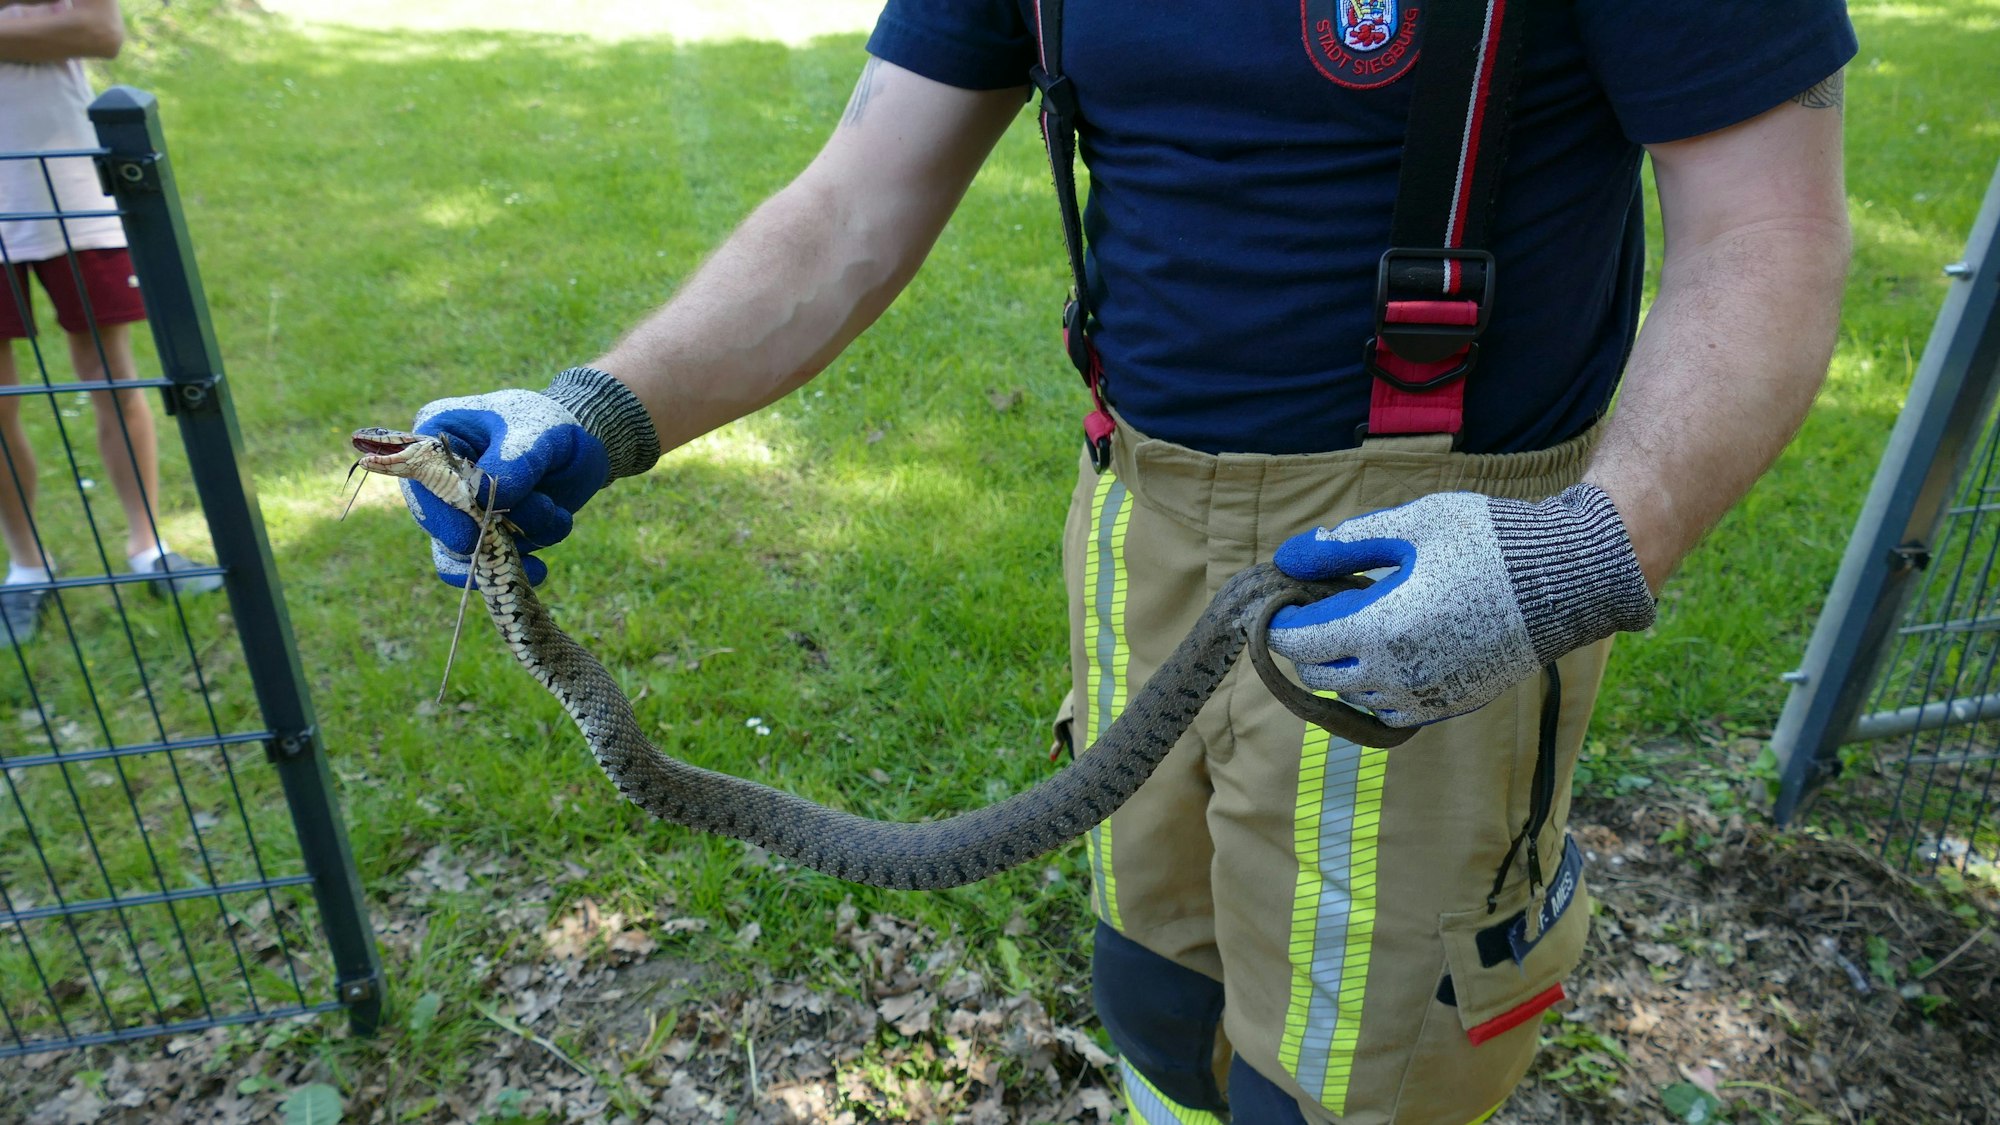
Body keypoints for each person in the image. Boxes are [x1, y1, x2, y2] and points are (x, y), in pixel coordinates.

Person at [397, 2, 1857, 1120]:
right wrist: (602, 408)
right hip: (1135, 515)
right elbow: (854, 203)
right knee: (1155, 986)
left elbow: (1766, 233)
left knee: (1357, 1076)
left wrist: (1584, 551)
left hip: (1435, 553)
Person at [0, 0, 223, 647]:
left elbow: (99, 30)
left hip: (69, 184)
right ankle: (26, 568)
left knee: (112, 377)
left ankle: (148, 549)